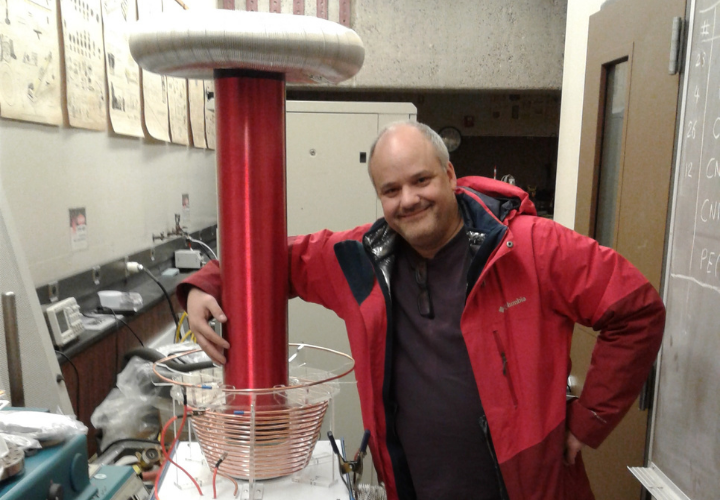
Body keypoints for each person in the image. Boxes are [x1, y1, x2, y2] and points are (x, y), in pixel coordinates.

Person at [177, 122, 665, 500]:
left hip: (531, 489)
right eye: (391, 190)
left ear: (451, 175)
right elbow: (272, 260)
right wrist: (206, 284)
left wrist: (590, 419)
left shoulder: (531, 248)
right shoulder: (360, 260)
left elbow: (637, 311)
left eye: (421, 180)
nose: (408, 200)